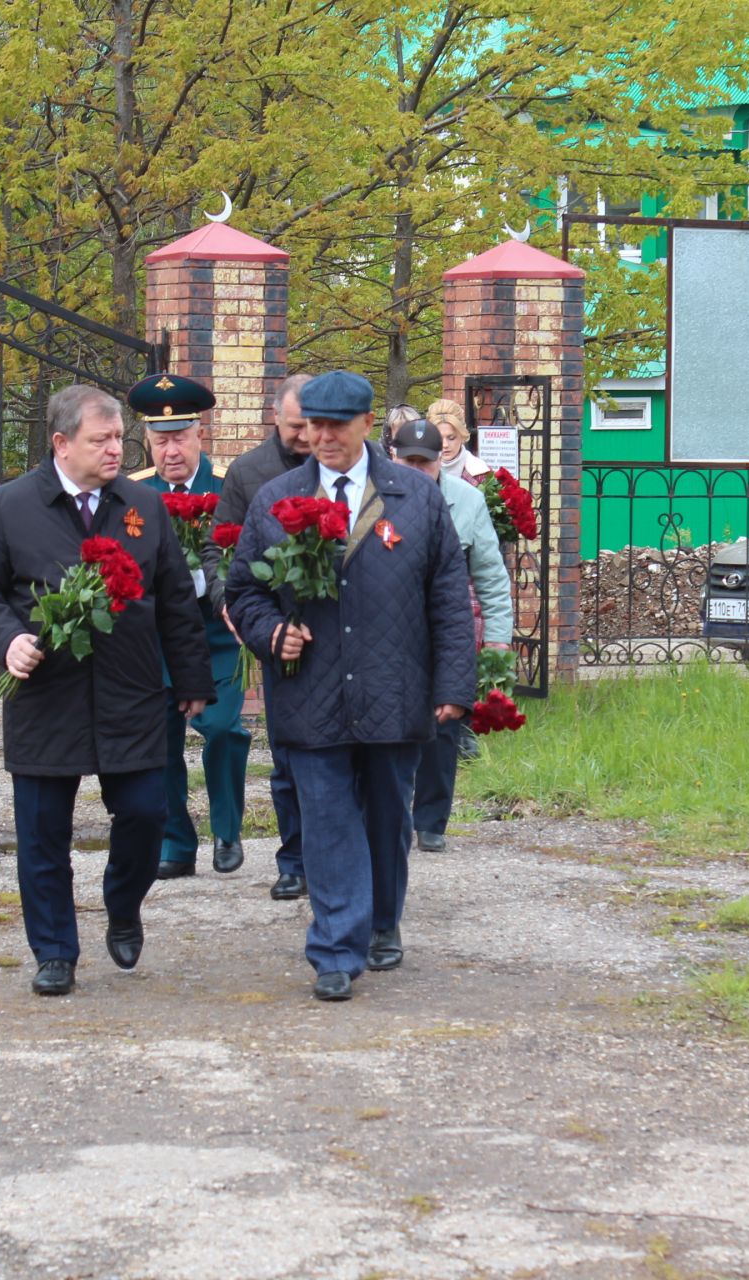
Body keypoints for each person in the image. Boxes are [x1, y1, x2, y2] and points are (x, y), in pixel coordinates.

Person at [0, 384, 214, 998]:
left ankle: (123, 902)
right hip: (47, 698)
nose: (117, 449)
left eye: (121, 437)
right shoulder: (8, 506)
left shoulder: (143, 509)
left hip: (132, 694)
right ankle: (54, 952)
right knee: (44, 833)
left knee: (148, 814)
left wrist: (193, 680)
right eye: (102, 440)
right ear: (61, 443)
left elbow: (176, 600)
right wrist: (7, 639)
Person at [225, 370, 475, 1001]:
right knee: (328, 819)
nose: (324, 436)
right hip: (310, 688)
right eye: (315, 424)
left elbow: (447, 597)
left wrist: (454, 685)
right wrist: (271, 632)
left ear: (369, 425)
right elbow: (244, 590)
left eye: (338, 424)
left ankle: (383, 922)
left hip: (394, 687)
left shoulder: (415, 498)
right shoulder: (278, 499)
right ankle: (336, 949)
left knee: (388, 816)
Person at [125, 372, 251, 880]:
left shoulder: (227, 488)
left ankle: (226, 830)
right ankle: (176, 843)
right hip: (156, 639)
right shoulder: (132, 493)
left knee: (221, 730)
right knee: (160, 741)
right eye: (160, 439)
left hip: (216, 635)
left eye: (179, 437)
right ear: (148, 441)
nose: (170, 450)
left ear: (200, 435)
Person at [388, 417, 513, 854]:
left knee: (444, 725)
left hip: (448, 629)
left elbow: (491, 576)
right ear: (394, 458)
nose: (418, 470)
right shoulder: (377, 497)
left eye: (425, 462)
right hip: (392, 630)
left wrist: (498, 641)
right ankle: (392, 814)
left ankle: (431, 820)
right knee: (394, 726)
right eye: (409, 462)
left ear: (441, 458)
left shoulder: (467, 501)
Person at [216, 373, 313, 902]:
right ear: (275, 416)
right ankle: (293, 859)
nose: (305, 437)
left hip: (338, 634)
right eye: (296, 426)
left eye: (313, 424)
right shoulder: (250, 473)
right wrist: (237, 611)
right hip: (279, 639)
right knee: (288, 756)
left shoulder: (348, 467)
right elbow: (222, 549)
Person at [426, 398, 492, 483]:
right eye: (439, 438)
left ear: (462, 435)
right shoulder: (419, 472)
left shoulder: (481, 473)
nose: (445, 445)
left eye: (451, 438)